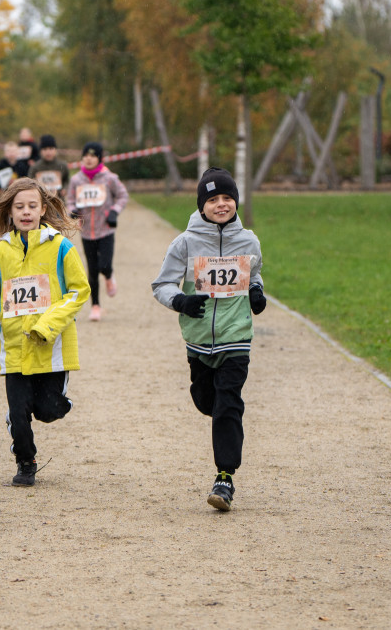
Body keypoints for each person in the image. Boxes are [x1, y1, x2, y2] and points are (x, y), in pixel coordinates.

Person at [151, 167, 266, 512]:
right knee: (207, 402)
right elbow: (162, 286)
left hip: (236, 336)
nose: (221, 204)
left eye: (227, 198)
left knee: (229, 404)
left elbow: (255, 274)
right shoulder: (184, 243)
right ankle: (213, 410)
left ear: (236, 202)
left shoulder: (249, 240)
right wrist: (181, 301)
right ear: (202, 205)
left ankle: (225, 477)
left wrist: (257, 292)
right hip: (198, 340)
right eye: (213, 199)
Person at [0, 178, 90, 486]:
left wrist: (47, 325)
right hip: (15, 348)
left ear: (43, 209)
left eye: (32, 206)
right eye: (19, 207)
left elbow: (78, 290)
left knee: (48, 410)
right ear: (10, 211)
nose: (26, 212)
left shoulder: (61, 247)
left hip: (52, 348)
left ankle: (60, 403)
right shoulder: (0, 252)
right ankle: (25, 461)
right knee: (19, 413)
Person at [65, 142, 128, 322]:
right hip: (86, 232)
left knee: (104, 265)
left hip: (105, 229)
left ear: (99, 158)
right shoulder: (76, 180)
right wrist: (73, 210)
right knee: (91, 270)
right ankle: (95, 305)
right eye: (86, 155)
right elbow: (70, 199)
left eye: (93, 155)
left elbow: (123, 195)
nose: (88, 158)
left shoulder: (109, 178)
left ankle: (109, 276)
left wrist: (114, 211)